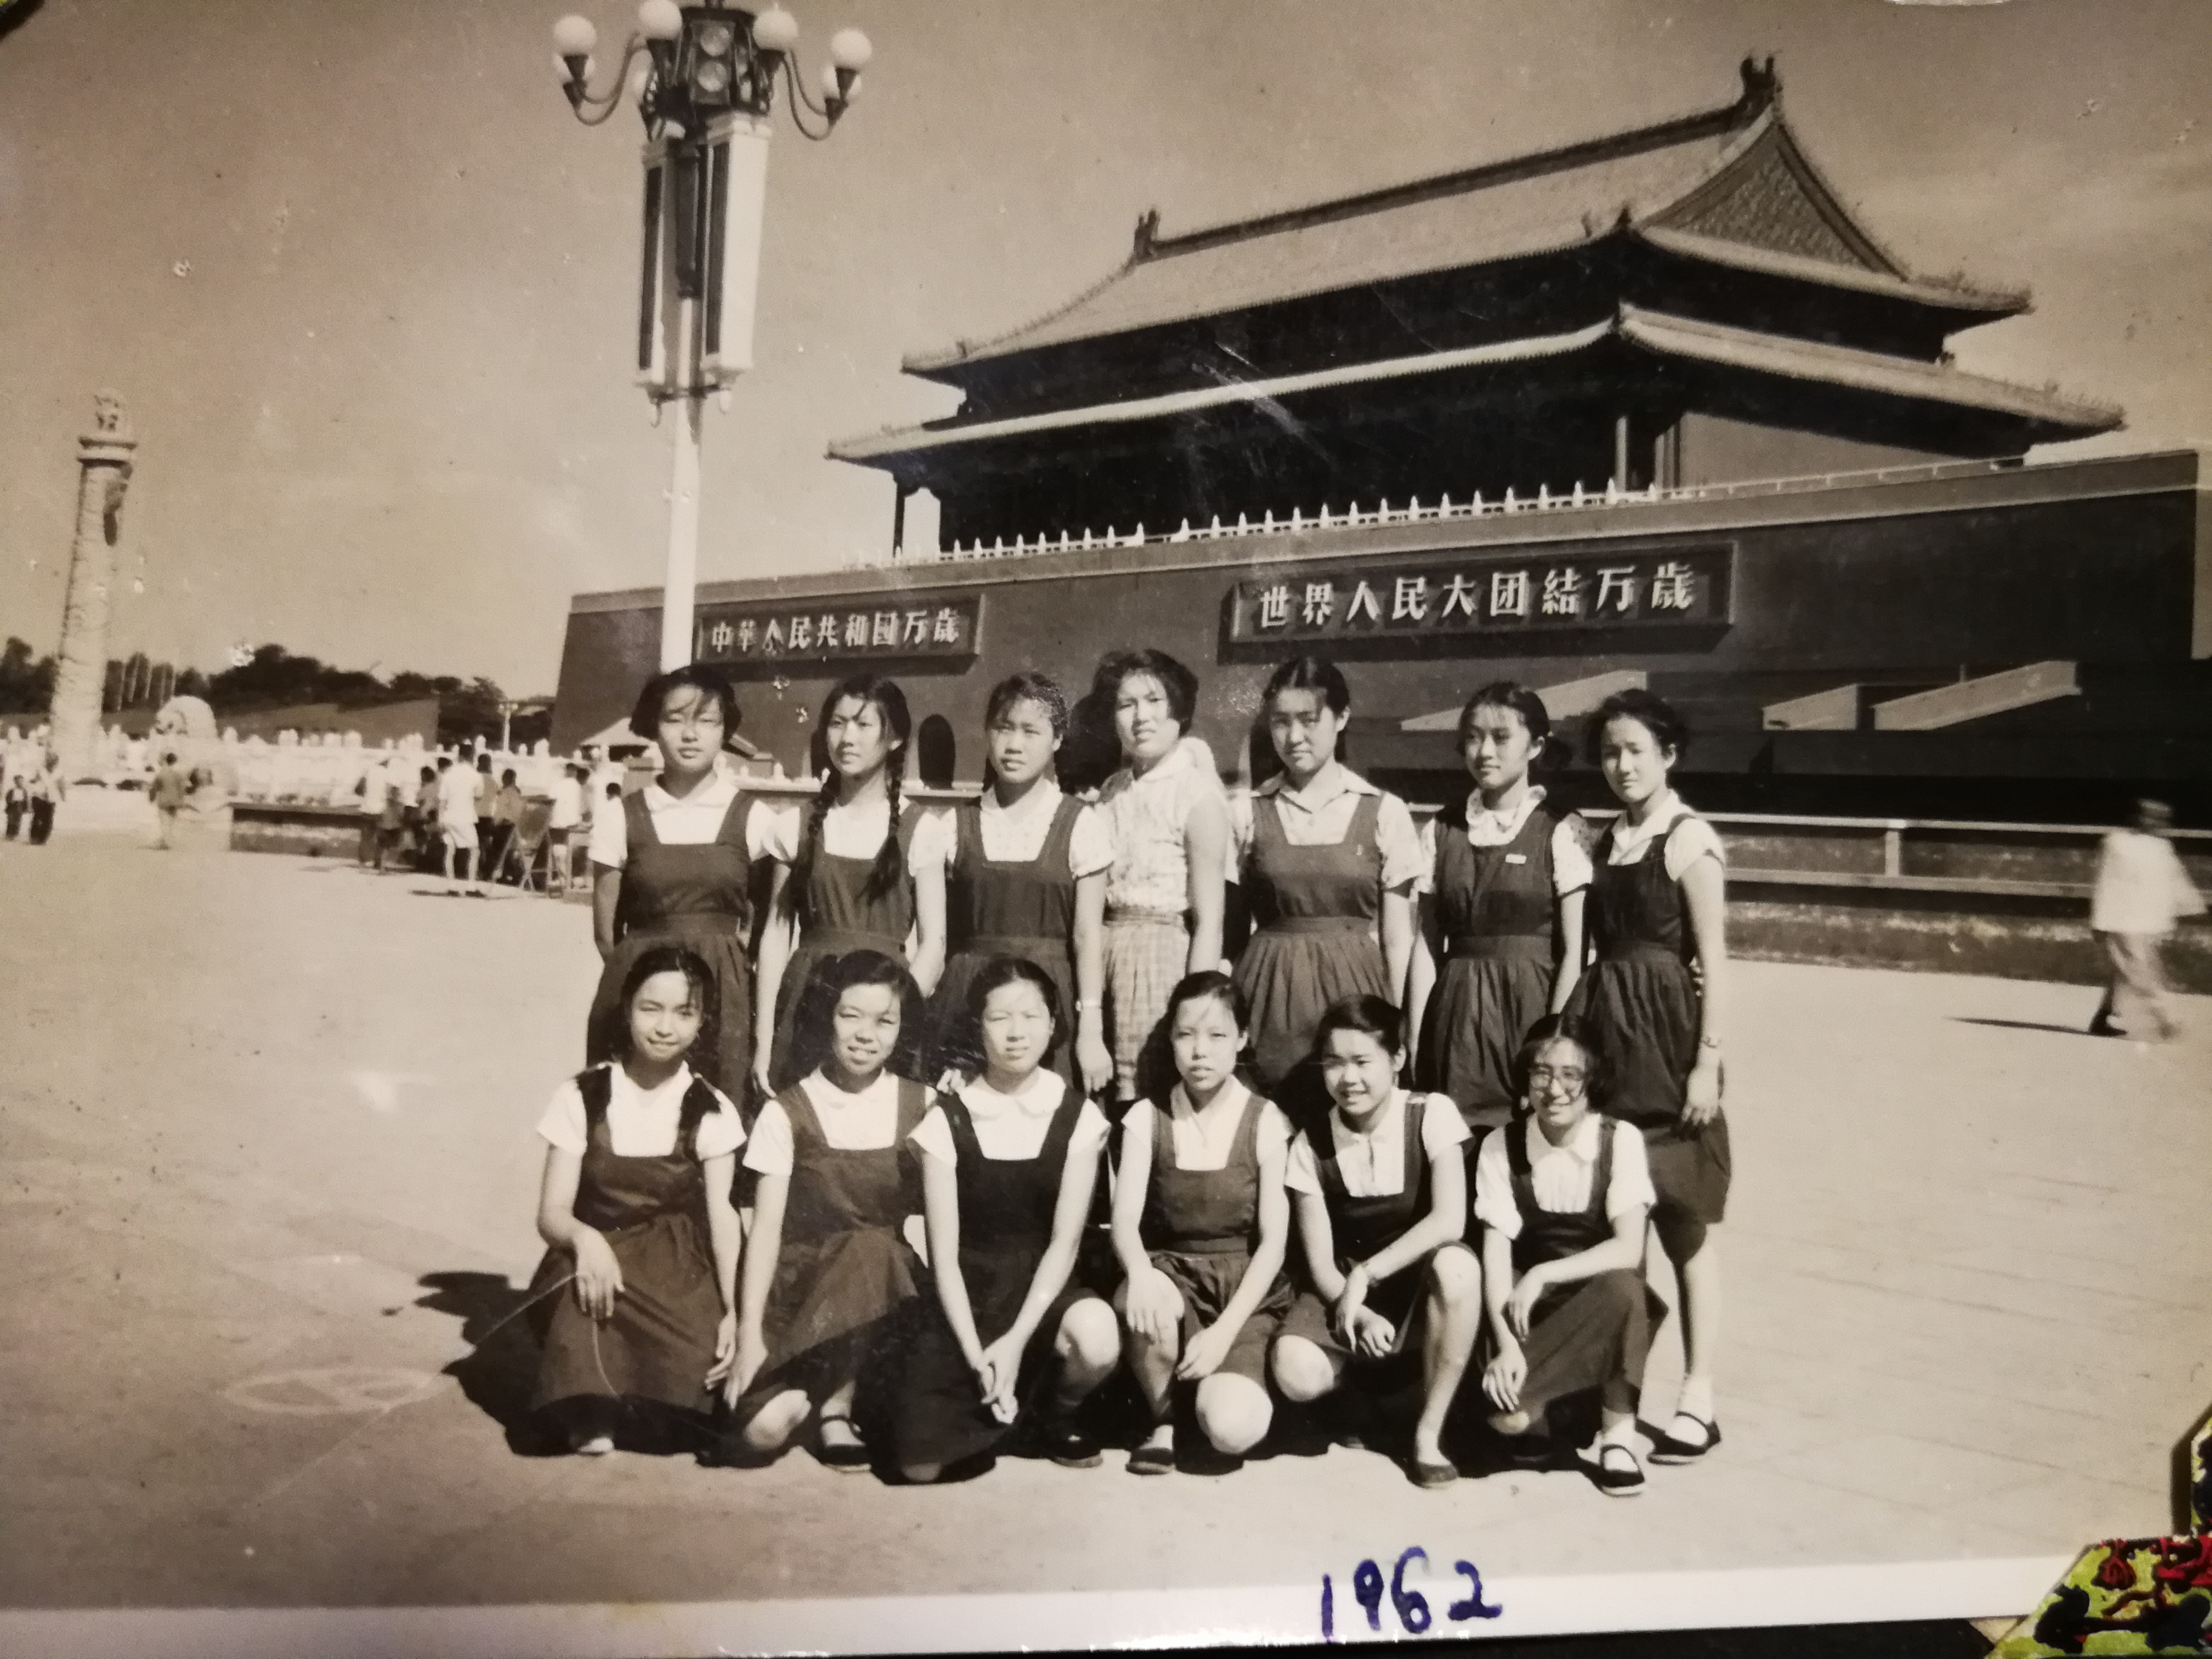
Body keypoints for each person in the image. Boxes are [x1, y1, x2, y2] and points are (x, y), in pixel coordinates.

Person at [1563, 688, 1729, 1466]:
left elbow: (1715, 960)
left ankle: (1698, 1396)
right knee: (1617, 1235)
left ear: (1669, 754)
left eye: (1635, 750)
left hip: (1667, 1044)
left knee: (1682, 1227)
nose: (1621, 765)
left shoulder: (1688, 837)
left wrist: (1708, 1064)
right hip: (1609, 1039)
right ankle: (1617, 1410)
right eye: (1609, 752)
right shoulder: (1604, 841)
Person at [896, 958, 1118, 1482]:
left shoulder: (1078, 1116)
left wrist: (1015, 1342)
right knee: (918, 1467)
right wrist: (977, 1357)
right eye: (999, 1018)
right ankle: (998, 1408)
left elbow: (1065, 1245)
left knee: (1097, 1336)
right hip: (968, 1298)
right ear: (978, 1026)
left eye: (1030, 1016)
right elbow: (944, 1258)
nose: (1016, 1033)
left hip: (1047, 1291)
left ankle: (1055, 1412)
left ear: (1053, 1024)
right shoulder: (948, 1118)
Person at [526, 946, 745, 1454]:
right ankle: (592, 1407)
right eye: (651, 1009)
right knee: (582, 1305)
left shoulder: (711, 1109)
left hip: (676, 1264)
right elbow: (551, 1213)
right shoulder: (582, 1095)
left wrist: (734, 1308)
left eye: (684, 1013)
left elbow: (723, 1217)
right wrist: (585, 1240)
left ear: (702, 1023)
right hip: (597, 1252)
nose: (665, 1027)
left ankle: (649, 1402)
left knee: (701, 1367)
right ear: (627, 1010)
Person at [724, 950, 931, 1471]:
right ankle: (815, 1395)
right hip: (806, 1286)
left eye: (885, 1021)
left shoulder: (923, 1104)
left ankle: (838, 1407)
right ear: (826, 1016)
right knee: (759, 1432)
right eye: (850, 1015)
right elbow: (765, 1231)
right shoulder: (786, 1111)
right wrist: (750, 1335)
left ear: (902, 1029)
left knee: (874, 1246)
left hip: (890, 1288)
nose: (866, 1035)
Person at [1269, 995, 1480, 1489]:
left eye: (1363, 1062)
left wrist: (1369, 1274)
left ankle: (1428, 1434)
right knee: (1295, 1369)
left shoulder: (1432, 1114)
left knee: (1459, 1268)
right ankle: (1362, 1393)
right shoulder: (1311, 1142)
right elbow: (1322, 1265)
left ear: (1398, 1059)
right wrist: (1359, 1310)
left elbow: (1450, 1220)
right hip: (1347, 1288)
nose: (1348, 1078)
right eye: (1334, 1063)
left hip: (1417, 1280)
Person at [1112, 972, 1294, 1473]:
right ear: (1170, 1039)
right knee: (1141, 1295)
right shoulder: (1146, 1117)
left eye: (1217, 1036)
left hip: (1243, 1292)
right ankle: (1164, 1418)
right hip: (1172, 1276)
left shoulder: (1265, 1119)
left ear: (1241, 1039)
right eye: (1186, 1034)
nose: (1200, 1051)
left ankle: (1223, 1390)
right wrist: (1141, 1273)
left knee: (1232, 1431)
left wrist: (1222, 1334)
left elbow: (1274, 1242)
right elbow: (1124, 1220)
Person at [1473, 1017, 1658, 1497]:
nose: (1554, 1090)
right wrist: (1506, 1345)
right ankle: (1539, 1419)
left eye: (1571, 1075)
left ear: (1593, 1079)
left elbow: (1629, 1247)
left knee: (1624, 1285)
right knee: (1509, 1420)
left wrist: (1543, 1272)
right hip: (1527, 1311)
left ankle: (1618, 1438)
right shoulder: (1500, 1145)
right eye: (1541, 1073)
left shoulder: (1619, 1140)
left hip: (1596, 1300)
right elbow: (1496, 1258)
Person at [1233, 657, 1422, 1117]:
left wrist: (1397, 1022)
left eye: (1309, 720)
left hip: (1355, 993)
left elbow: (1398, 938)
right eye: (1281, 722)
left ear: (1342, 718)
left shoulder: (1384, 810)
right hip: (1268, 994)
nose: (1294, 737)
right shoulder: (1246, 811)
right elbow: (1229, 932)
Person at [1411, 682, 1592, 1159]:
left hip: (1528, 1012)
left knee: (1525, 1149)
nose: (1484, 751)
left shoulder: (1561, 829)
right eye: (1473, 737)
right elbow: (1426, 946)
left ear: (1535, 746)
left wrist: (1553, 1042)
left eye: (1501, 737)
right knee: (1452, 1146)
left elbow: (1574, 951)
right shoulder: (1442, 829)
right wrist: (1415, 1037)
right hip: (1454, 1016)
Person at [586, 666, 775, 1100]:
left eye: (706, 721)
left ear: (725, 730)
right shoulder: (620, 816)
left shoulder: (755, 817)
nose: (690, 735)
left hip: (723, 997)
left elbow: (763, 926)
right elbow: (605, 935)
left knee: (719, 1112)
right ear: (654, 726)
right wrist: (646, 991)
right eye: (675, 720)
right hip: (641, 995)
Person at [755, 675, 947, 1094]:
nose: (847, 738)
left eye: (864, 725)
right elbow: (775, 935)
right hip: (806, 1005)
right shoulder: (793, 826)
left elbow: (934, 945)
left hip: (884, 1011)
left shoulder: (922, 829)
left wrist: (893, 1015)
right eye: (837, 724)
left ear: (895, 738)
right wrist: (764, 1037)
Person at [924, 673, 1114, 1094]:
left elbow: (1088, 936)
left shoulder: (1081, 824)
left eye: (1031, 731)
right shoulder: (954, 825)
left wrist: (1090, 1029)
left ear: (1057, 739)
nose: (1014, 745)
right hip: (967, 1005)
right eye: (1003, 728)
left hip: (1048, 1002)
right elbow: (935, 940)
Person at [1092, 650, 1229, 1109]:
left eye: (1154, 701)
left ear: (1180, 710)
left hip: (1162, 956)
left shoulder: (1197, 794)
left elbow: (1210, 920)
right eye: (1126, 704)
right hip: (1105, 949)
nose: (1141, 717)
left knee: (1148, 1095)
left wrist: (1198, 1007)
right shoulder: (1112, 790)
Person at [2088, 798, 2204, 1041]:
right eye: (2150, 817)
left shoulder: (2161, 847)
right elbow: (2105, 880)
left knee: (2125, 970)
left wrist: (2189, 905)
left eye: (2161, 819)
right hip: (2121, 918)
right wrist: (2098, 920)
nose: (2156, 823)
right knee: (2140, 969)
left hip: (2148, 920)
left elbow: (2174, 878)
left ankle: (2102, 1017)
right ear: (2137, 817)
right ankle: (2166, 1019)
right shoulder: (2117, 843)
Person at [435, 755, 481, 892]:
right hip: (465, 817)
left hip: (448, 816)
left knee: (450, 851)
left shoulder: (448, 775)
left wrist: (440, 818)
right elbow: (479, 795)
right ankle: (471, 886)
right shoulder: (475, 775)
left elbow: (442, 800)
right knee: (474, 851)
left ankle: (451, 885)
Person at [548, 762, 588, 894]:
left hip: (556, 827)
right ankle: (576, 878)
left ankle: (564, 879)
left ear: (566, 771)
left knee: (559, 852)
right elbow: (584, 810)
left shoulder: (557, 785)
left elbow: (550, 801)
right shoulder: (578, 787)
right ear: (575, 772)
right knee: (580, 848)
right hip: (573, 827)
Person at [488, 767, 525, 884]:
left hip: (506, 825)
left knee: (501, 851)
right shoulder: (514, 792)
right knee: (506, 852)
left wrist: (495, 823)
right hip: (510, 825)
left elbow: (503, 812)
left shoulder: (508, 793)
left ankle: (514, 874)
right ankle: (507, 874)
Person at [148, 751, 190, 850]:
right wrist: (182, 801)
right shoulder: (179, 774)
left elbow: (154, 788)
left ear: (166, 761)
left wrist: (152, 798)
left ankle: (166, 842)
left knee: (164, 822)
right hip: (175, 801)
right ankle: (165, 841)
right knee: (171, 822)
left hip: (164, 801)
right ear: (175, 762)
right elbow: (182, 789)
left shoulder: (161, 774)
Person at [372, 769, 406, 872]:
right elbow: (401, 815)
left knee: (383, 847)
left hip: (383, 826)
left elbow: (380, 814)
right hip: (393, 827)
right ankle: (383, 866)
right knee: (388, 848)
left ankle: (380, 864)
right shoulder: (399, 805)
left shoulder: (385, 803)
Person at [26, 749, 61, 845]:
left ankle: (42, 839)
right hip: (38, 796)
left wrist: (62, 795)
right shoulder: (41, 770)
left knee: (48, 820)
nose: (51, 764)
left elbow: (61, 785)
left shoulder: (59, 773)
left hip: (51, 798)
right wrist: (33, 782)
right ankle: (34, 838)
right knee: (37, 817)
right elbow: (34, 780)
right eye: (49, 762)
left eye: (53, 762)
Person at [473, 751, 498, 865]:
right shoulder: (494, 781)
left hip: (475, 815)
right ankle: (485, 865)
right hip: (488, 816)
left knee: (475, 843)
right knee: (485, 842)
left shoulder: (475, 778)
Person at [3, 769, 26, 840]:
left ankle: (15, 833)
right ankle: (9, 834)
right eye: (18, 781)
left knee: (18, 821)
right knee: (11, 821)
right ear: (15, 782)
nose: (20, 783)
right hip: (12, 807)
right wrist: (10, 801)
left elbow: (26, 800)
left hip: (19, 807)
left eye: (21, 781)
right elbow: (7, 798)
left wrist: (26, 808)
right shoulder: (12, 790)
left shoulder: (24, 791)